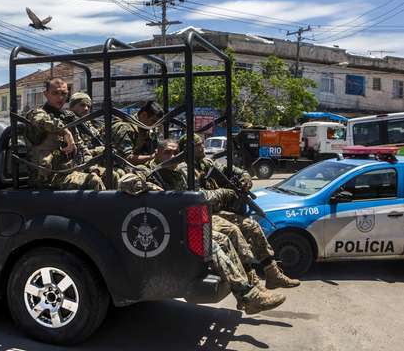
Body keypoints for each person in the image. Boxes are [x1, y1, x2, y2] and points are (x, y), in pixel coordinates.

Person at [118, 139, 286, 314]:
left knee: (229, 235)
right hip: (166, 228)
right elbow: (125, 182)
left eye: (175, 153)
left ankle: (252, 288)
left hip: (188, 222)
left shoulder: (181, 171)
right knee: (211, 244)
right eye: (168, 152)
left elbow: (197, 194)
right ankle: (247, 296)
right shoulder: (148, 170)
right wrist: (154, 189)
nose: (172, 156)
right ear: (158, 153)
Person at [180, 134, 300, 289]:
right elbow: (198, 197)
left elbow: (237, 171)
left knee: (253, 226)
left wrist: (245, 179)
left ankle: (273, 274)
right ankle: (253, 282)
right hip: (202, 214)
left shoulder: (206, 163)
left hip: (217, 211)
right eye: (198, 145)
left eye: (202, 144)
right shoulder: (185, 169)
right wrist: (224, 192)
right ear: (189, 149)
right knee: (234, 231)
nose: (202, 147)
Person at [24, 78, 104, 190]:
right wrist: (65, 132)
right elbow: (42, 121)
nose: (60, 97)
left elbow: (82, 149)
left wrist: (93, 169)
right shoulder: (37, 113)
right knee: (93, 182)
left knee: (111, 175)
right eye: (55, 93)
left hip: (70, 172)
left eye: (64, 93)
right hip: (48, 178)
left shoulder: (68, 118)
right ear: (46, 94)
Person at [111, 101, 163, 165]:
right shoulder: (126, 128)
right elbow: (127, 159)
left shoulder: (146, 129)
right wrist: (152, 157)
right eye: (153, 121)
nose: (155, 125)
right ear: (144, 115)